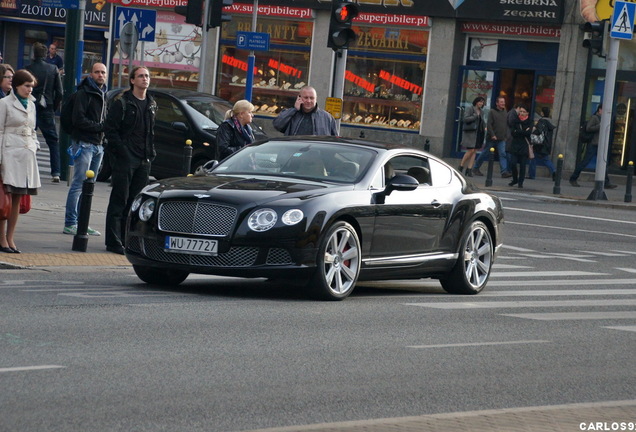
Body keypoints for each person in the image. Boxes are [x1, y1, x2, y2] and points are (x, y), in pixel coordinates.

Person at [104, 66, 157, 255]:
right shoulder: (122, 103)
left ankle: (128, 238)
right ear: (132, 80)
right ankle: (113, 241)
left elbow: (149, 132)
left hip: (144, 159)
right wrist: (123, 153)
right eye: (141, 76)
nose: (145, 79)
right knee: (120, 198)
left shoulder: (151, 103)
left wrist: (150, 154)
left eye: (147, 76)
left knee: (135, 202)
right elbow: (110, 130)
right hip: (126, 158)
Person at [62, 63, 108, 237]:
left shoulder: (104, 94)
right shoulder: (84, 93)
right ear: (91, 74)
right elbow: (78, 119)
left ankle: (82, 223)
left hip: (98, 145)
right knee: (78, 185)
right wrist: (100, 127)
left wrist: (103, 134)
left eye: (103, 72)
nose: (100, 75)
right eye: (97, 72)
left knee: (89, 187)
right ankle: (70, 222)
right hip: (84, 144)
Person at [0, 69, 41, 253]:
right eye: (26, 86)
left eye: (31, 86)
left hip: (26, 154)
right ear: (17, 85)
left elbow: (32, 129)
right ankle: (2, 239)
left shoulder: (32, 105)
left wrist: (35, 145)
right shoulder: (4, 104)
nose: (30, 90)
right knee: (4, 199)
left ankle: (11, 238)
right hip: (9, 154)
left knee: (17, 199)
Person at [26, 42, 63, 183]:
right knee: (53, 141)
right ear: (46, 54)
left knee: (28, 139)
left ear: (34, 54)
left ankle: (29, 170)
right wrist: (53, 107)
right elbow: (59, 92)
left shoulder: (28, 69)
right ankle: (56, 172)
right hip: (47, 107)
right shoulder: (52, 69)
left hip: (31, 107)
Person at [569, 104, 617, 189]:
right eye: (604, 110)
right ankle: (573, 178)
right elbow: (588, 128)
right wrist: (600, 126)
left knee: (603, 163)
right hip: (593, 143)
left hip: (601, 144)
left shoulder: (605, 119)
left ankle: (606, 182)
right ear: (600, 110)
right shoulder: (595, 118)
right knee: (585, 161)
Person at [273, 86, 337, 136]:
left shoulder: (327, 117)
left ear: (316, 99)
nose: (308, 101)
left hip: (317, 152)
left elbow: (334, 140)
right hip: (293, 150)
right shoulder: (291, 113)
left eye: (311, 98)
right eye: (306, 98)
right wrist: (294, 110)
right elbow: (277, 125)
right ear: (299, 98)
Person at [472, 96, 511, 178]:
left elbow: (506, 125)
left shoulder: (505, 112)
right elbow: (489, 124)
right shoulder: (492, 112)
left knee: (503, 154)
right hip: (492, 138)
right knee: (485, 153)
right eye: (501, 102)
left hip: (501, 138)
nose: (503, 103)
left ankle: (504, 172)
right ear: (497, 103)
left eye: (503, 102)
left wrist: (506, 135)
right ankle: (475, 168)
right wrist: (492, 134)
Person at [457, 96, 485, 177]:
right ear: (476, 102)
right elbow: (465, 119)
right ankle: (461, 166)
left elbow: (481, 122)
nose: (481, 103)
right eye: (479, 101)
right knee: (471, 150)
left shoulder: (482, 111)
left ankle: (469, 169)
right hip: (471, 132)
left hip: (479, 133)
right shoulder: (470, 108)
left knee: (475, 151)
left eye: (482, 102)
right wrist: (475, 116)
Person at [508, 105, 533, 188]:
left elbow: (528, 133)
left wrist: (518, 131)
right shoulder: (516, 120)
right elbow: (513, 133)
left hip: (524, 145)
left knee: (523, 165)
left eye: (524, 112)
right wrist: (522, 131)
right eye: (521, 111)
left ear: (527, 113)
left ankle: (520, 182)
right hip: (515, 144)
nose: (521, 113)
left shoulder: (530, 121)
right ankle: (515, 179)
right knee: (513, 163)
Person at [528, 107, 557, 180]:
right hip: (546, 144)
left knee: (533, 158)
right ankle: (554, 171)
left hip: (540, 144)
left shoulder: (542, 121)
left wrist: (533, 130)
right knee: (546, 159)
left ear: (542, 113)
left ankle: (532, 175)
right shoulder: (550, 122)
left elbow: (539, 131)